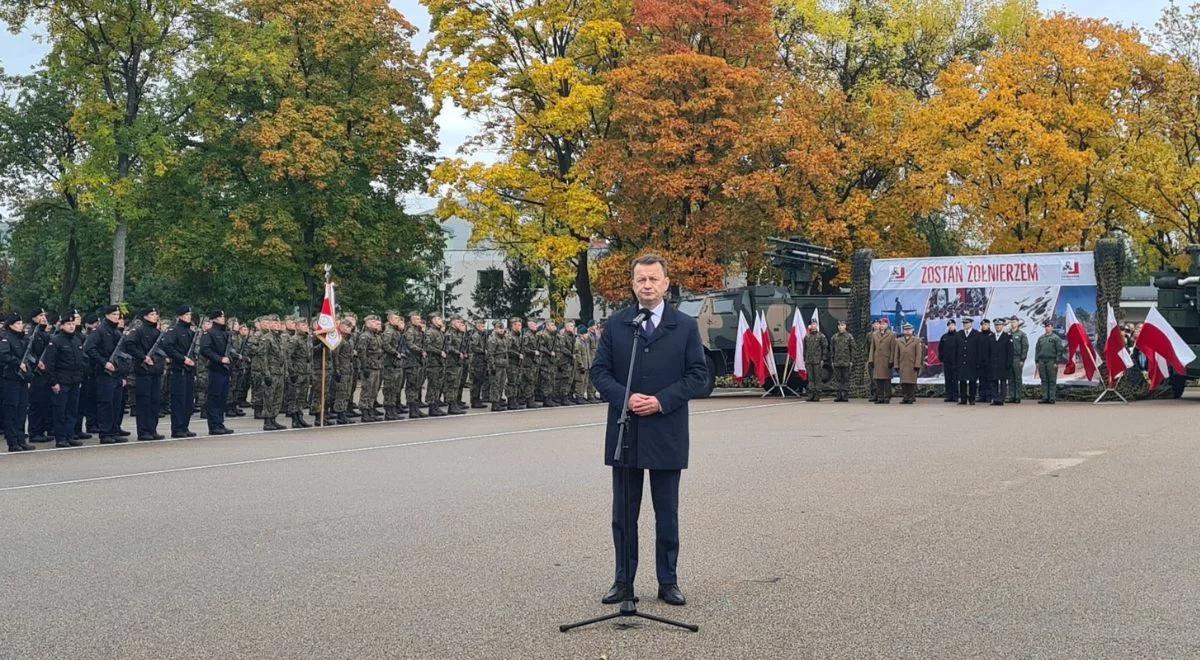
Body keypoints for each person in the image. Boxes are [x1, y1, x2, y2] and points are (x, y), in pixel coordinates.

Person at [590, 254, 709, 608]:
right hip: (626, 435)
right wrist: (625, 399)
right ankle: (623, 581)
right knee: (624, 514)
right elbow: (600, 373)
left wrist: (661, 401)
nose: (647, 285)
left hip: (666, 431)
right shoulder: (617, 325)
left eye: (653, 279)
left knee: (666, 513)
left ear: (666, 283)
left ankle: (667, 581)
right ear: (632, 284)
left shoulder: (684, 326)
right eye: (641, 279)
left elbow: (699, 377)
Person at [84, 305, 131, 444]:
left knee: (116, 404)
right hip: (104, 374)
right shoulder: (100, 331)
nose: (117, 317)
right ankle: (105, 433)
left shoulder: (115, 331)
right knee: (106, 404)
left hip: (116, 374)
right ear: (107, 315)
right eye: (114, 314)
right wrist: (104, 363)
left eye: (118, 314)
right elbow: (89, 348)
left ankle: (113, 431)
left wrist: (122, 375)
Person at [42, 311, 87, 448]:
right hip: (61, 381)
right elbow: (49, 364)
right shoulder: (56, 341)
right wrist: (53, 382)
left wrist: (79, 378)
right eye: (68, 324)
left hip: (74, 380)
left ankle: (70, 435)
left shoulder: (76, 340)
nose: (72, 326)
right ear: (62, 326)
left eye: (73, 324)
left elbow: (81, 361)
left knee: (72, 410)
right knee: (60, 410)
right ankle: (61, 438)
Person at [126, 307, 166, 440]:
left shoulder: (156, 331)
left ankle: (152, 429)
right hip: (144, 372)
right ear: (145, 316)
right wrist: (143, 357)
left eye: (156, 314)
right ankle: (143, 431)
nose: (155, 316)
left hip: (156, 371)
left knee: (155, 402)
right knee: (144, 402)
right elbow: (129, 344)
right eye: (152, 314)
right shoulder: (139, 331)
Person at [0, 313, 36, 451]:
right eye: (18, 324)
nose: (21, 326)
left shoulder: (23, 339)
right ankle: (12, 441)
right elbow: (4, 355)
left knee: (21, 411)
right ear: (10, 325)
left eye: (21, 323)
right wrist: (17, 363)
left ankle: (21, 439)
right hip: (11, 379)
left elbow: (28, 356)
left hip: (22, 380)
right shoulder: (6, 339)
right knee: (11, 411)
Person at [162, 307, 198, 438]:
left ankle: (185, 426)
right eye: (187, 314)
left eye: (190, 314)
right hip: (179, 370)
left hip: (189, 371)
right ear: (180, 316)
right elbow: (168, 347)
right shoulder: (174, 330)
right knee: (179, 400)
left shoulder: (190, 331)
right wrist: (182, 358)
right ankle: (177, 428)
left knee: (189, 401)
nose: (189, 316)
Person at [199, 310, 237, 435]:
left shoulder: (225, 333)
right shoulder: (209, 333)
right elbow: (205, 350)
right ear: (214, 319)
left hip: (225, 369)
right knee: (214, 397)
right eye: (220, 317)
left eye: (223, 316)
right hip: (215, 368)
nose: (223, 318)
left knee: (222, 398)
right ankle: (214, 425)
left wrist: (229, 359)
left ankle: (220, 422)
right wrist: (220, 359)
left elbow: (230, 350)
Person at [403, 312, 427, 419]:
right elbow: (410, 345)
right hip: (411, 362)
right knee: (412, 386)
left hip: (418, 362)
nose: (419, 321)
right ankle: (412, 409)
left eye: (419, 319)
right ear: (411, 320)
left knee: (417, 386)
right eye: (416, 319)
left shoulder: (419, 331)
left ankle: (416, 408)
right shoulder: (410, 331)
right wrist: (421, 350)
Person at [1036, 320, 1066, 404]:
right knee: (1044, 380)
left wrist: (1057, 362)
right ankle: (1045, 397)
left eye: (1049, 326)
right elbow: (1037, 350)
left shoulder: (1056, 338)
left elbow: (1059, 351)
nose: (1047, 328)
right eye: (1046, 326)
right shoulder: (1041, 338)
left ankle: (1051, 398)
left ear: (1052, 327)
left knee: (1052, 380)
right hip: (1042, 360)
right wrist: (1037, 361)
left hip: (1051, 361)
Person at [868, 317, 896, 404]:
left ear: (887, 325)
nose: (882, 325)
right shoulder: (875, 334)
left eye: (884, 324)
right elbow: (872, 348)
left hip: (887, 360)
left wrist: (891, 360)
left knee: (887, 380)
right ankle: (880, 397)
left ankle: (887, 397)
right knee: (878, 380)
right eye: (881, 324)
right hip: (877, 360)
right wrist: (871, 360)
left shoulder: (891, 334)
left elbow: (893, 349)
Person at [894, 322, 924, 403]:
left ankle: (911, 397)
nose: (907, 331)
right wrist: (896, 365)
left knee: (911, 382)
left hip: (912, 365)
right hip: (902, 364)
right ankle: (905, 397)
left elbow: (918, 354)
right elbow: (896, 354)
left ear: (912, 330)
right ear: (903, 331)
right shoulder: (899, 341)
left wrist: (917, 364)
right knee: (904, 382)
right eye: (906, 330)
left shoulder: (916, 340)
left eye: (909, 329)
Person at [957, 318, 981, 405]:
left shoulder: (977, 334)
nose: (965, 325)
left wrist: (978, 362)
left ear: (971, 323)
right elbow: (956, 349)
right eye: (964, 323)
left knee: (972, 381)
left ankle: (972, 398)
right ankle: (963, 398)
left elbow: (979, 349)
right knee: (962, 381)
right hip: (961, 361)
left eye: (967, 323)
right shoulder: (959, 334)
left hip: (972, 362)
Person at [803, 319, 828, 401]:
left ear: (816, 325)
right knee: (810, 378)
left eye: (814, 324)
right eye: (812, 324)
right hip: (809, 360)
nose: (813, 325)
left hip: (817, 360)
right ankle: (811, 394)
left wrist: (823, 359)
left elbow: (825, 348)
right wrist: (804, 359)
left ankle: (817, 394)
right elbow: (805, 349)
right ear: (810, 326)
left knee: (817, 378)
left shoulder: (821, 336)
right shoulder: (807, 336)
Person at [487, 320, 509, 411]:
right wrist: (492, 367)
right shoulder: (493, 339)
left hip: (503, 365)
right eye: (499, 329)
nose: (501, 330)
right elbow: (490, 354)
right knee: (495, 385)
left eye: (502, 328)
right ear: (495, 329)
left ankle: (499, 400)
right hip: (496, 365)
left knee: (501, 384)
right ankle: (495, 404)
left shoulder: (503, 338)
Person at [829, 320, 854, 402]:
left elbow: (853, 349)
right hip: (837, 362)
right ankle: (839, 395)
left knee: (846, 379)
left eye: (842, 325)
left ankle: (845, 395)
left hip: (846, 362)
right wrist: (832, 360)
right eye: (839, 325)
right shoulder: (834, 337)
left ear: (845, 326)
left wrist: (851, 361)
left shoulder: (849, 337)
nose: (840, 327)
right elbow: (832, 350)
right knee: (838, 379)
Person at [937, 319, 961, 402]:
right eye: (949, 325)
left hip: (956, 362)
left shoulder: (958, 336)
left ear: (955, 326)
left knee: (955, 379)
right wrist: (941, 358)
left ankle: (955, 396)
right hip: (946, 362)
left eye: (952, 325)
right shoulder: (944, 337)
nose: (951, 326)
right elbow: (940, 349)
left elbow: (961, 349)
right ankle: (949, 396)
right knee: (948, 379)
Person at [469, 319, 490, 409]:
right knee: (476, 382)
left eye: (483, 326)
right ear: (477, 326)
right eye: (481, 326)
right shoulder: (476, 336)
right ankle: (474, 400)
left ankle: (477, 399)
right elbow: (473, 347)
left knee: (480, 381)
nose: (483, 328)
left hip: (482, 361)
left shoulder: (482, 335)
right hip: (476, 361)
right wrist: (483, 351)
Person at [1008, 318, 1028, 403]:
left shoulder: (1022, 334)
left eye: (1014, 322)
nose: (1013, 324)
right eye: (1011, 322)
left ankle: (1017, 397)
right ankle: (1012, 396)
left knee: (1017, 378)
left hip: (1017, 358)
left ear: (1018, 323)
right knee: (1010, 378)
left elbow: (1025, 347)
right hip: (1009, 358)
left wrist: (1022, 359)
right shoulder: (1008, 334)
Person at [977, 319, 995, 403]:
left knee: (989, 380)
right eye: (983, 324)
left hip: (989, 362)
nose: (984, 326)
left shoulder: (992, 335)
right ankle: (982, 396)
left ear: (989, 325)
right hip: (980, 361)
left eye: (986, 324)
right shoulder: (979, 336)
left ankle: (989, 396)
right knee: (981, 379)